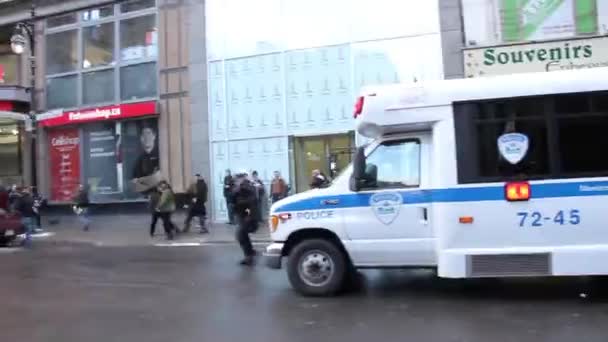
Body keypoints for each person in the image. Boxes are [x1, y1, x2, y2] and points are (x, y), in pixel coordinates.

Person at [232, 170, 259, 266]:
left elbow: (252, 203)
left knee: (240, 234)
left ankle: (249, 256)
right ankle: (250, 252)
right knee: (242, 235)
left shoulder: (247, 187)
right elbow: (234, 199)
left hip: (246, 215)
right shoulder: (238, 187)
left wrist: (249, 214)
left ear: (244, 177)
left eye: (239, 177)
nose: (237, 179)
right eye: (237, 177)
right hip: (241, 214)